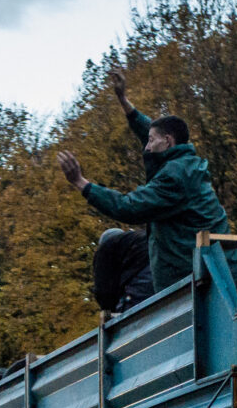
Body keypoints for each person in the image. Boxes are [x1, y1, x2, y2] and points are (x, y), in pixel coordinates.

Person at [57, 68, 227, 303]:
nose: (146, 147)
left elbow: (127, 207)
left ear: (168, 141)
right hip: (200, 267)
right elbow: (149, 129)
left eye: (152, 141)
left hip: (188, 278)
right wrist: (124, 101)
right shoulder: (185, 163)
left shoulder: (174, 178)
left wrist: (81, 183)